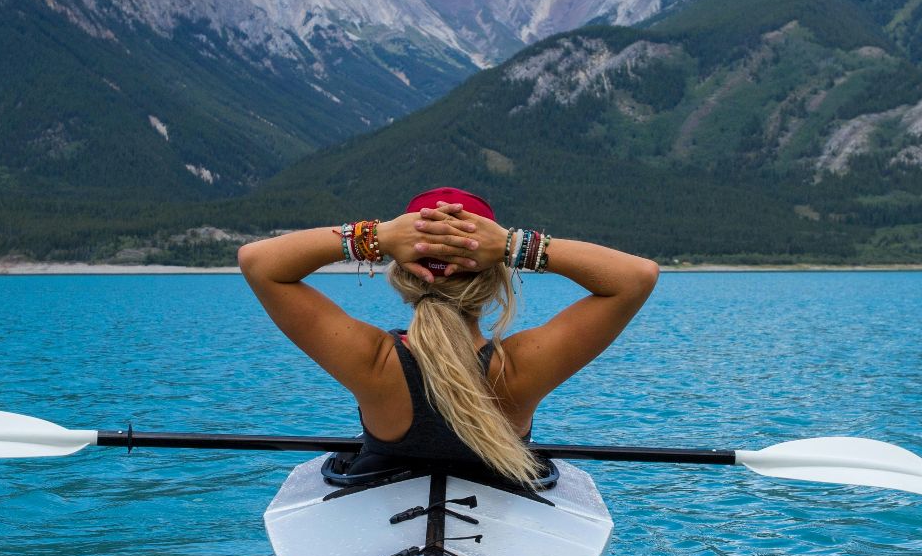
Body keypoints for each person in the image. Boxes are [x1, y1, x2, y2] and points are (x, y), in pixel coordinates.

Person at [237, 187, 659, 487]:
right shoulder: (519, 369)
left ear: (401, 273)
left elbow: (258, 262)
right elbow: (636, 277)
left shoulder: (372, 362)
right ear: (495, 276)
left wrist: (376, 236)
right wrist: (514, 243)